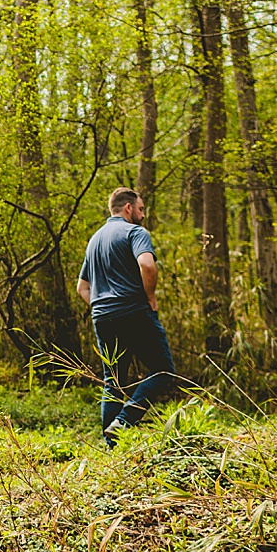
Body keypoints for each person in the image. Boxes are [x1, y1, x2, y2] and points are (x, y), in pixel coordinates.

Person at [76, 187, 176, 445]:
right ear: (129, 208)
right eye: (141, 209)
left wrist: (102, 307)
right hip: (134, 312)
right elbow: (146, 264)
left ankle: (111, 449)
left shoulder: (95, 240)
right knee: (164, 371)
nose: (143, 216)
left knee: (113, 382)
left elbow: (82, 287)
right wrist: (150, 296)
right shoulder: (135, 232)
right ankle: (124, 420)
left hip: (103, 318)